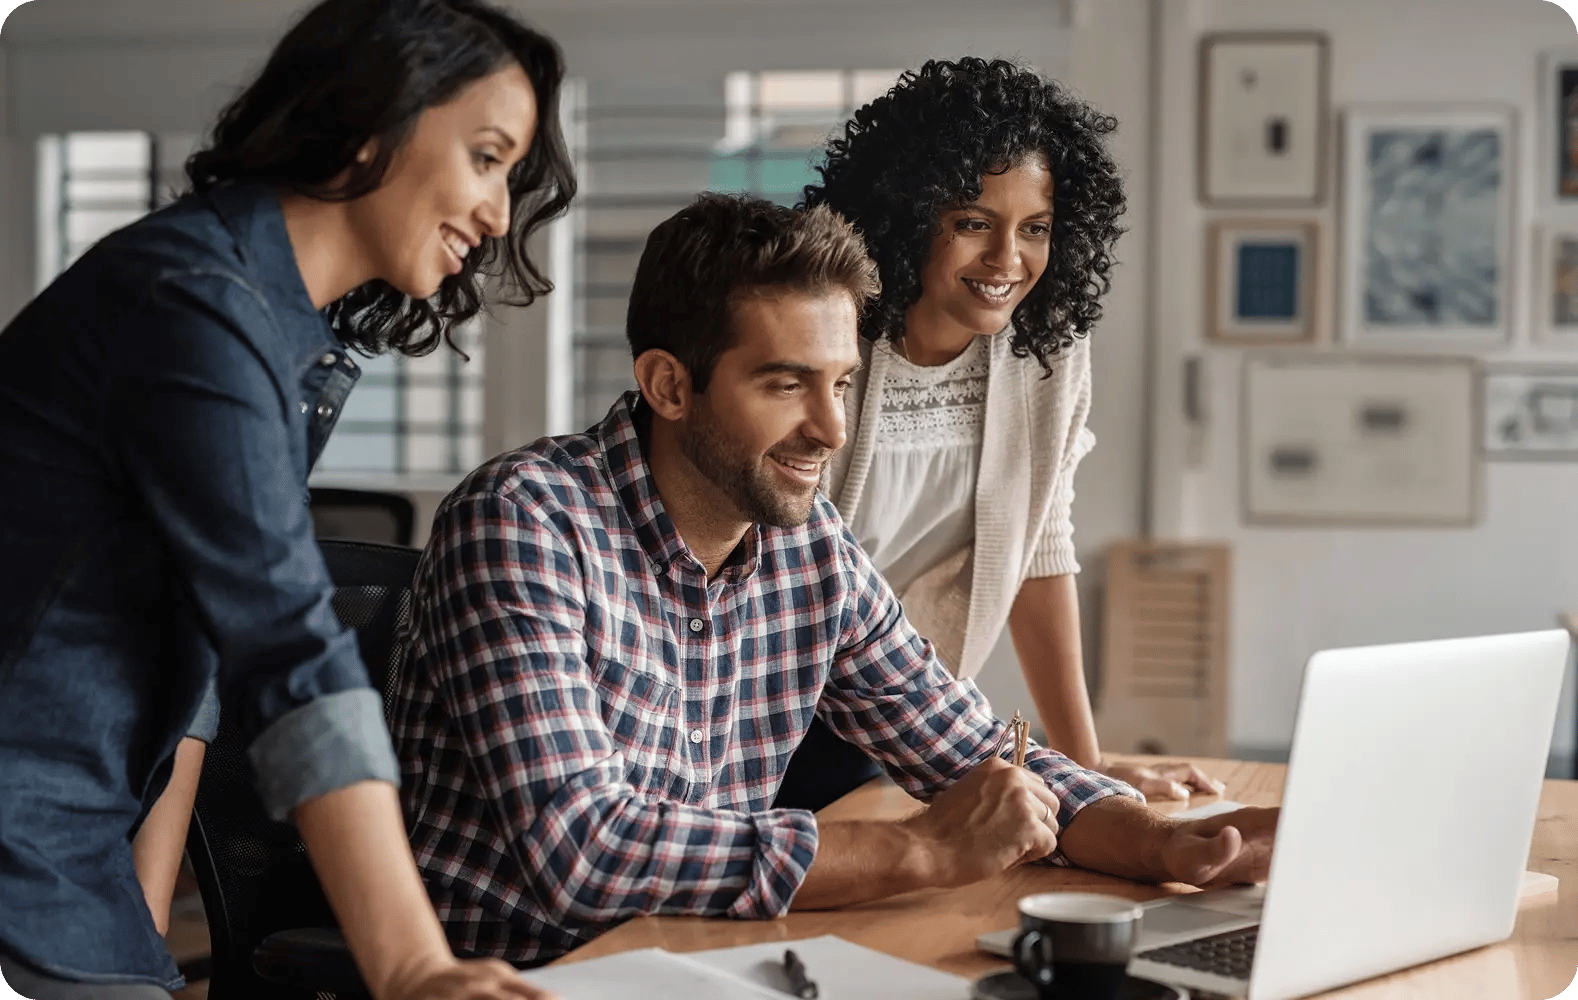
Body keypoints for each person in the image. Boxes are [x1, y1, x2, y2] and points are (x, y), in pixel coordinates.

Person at [389, 192, 1278, 967]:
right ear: (669, 385)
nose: (831, 429)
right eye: (787, 386)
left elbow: (968, 747)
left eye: (842, 384)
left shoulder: (807, 542)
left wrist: (1166, 843)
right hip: (531, 976)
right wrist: (920, 851)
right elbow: (585, 852)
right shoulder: (524, 521)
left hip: (706, 961)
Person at [0, 1, 575, 997]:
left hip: (74, 854)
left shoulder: (275, 335)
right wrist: (413, 965)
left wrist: (139, 922)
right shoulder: (193, 307)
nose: (496, 215)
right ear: (375, 119)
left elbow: (204, 646)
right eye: (487, 158)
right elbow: (290, 649)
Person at [778, 57, 1222, 810]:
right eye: (974, 223)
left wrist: (1087, 769)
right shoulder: (826, 338)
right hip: (759, 707)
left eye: (1035, 229)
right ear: (908, 214)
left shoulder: (1046, 349)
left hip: (906, 720)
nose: (1007, 260)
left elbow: (1038, 543)